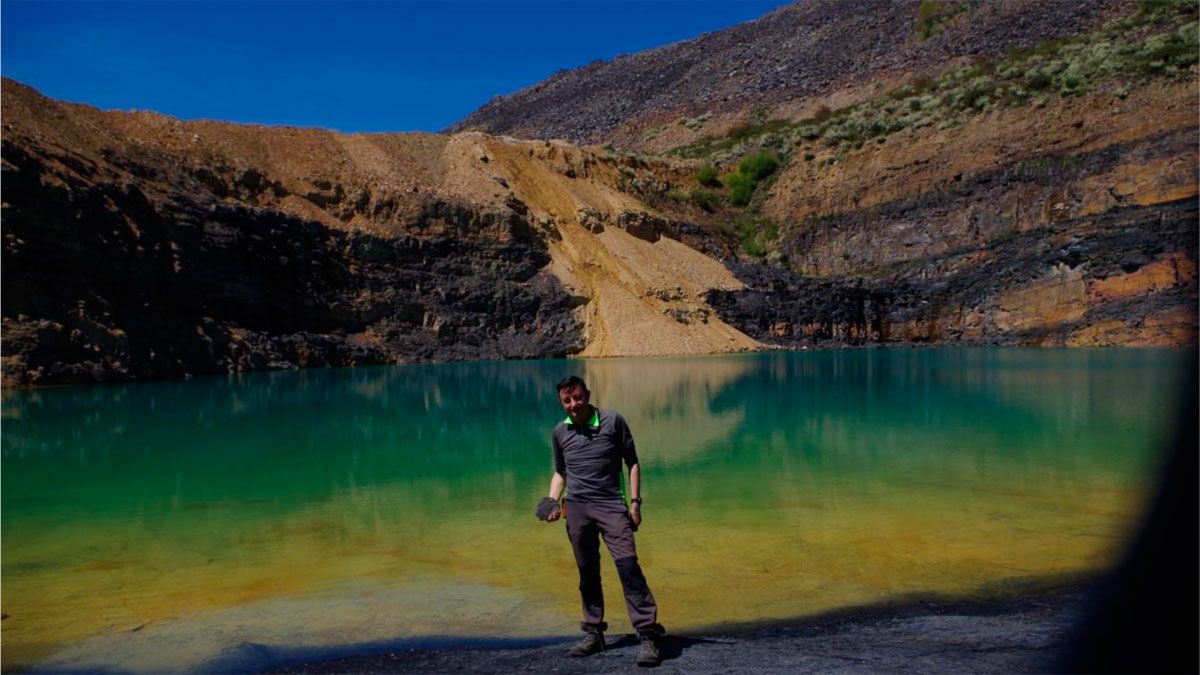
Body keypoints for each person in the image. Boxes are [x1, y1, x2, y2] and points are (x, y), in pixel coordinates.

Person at [537, 375, 664, 667]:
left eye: (577, 397)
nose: (573, 405)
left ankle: (647, 634)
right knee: (587, 571)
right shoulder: (560, 431)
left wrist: (635, 503)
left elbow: (632, 462)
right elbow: (561, 473)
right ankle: (594, 632)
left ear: (588, 394)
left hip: (611, 506)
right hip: (578, 508)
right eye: (567, 401)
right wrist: (551, 502)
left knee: (628, 566)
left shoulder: (612, 421)